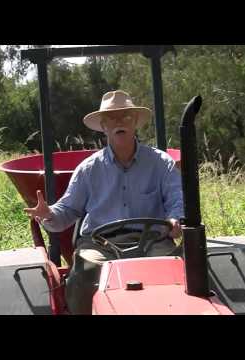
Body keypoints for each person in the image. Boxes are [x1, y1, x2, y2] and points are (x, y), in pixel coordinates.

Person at [24, 90, 184, 314]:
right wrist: (49, 213)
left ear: (135, 122)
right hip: (101, 244)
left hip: (152, 241)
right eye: (112, 117)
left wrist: (175, 219)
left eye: (126, 116)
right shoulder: (89, 169)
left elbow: (178, 201)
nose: (119, 122)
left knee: (175, 269)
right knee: (86, 271)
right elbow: (67, 210)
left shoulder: (161, 163)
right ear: (104, 125)